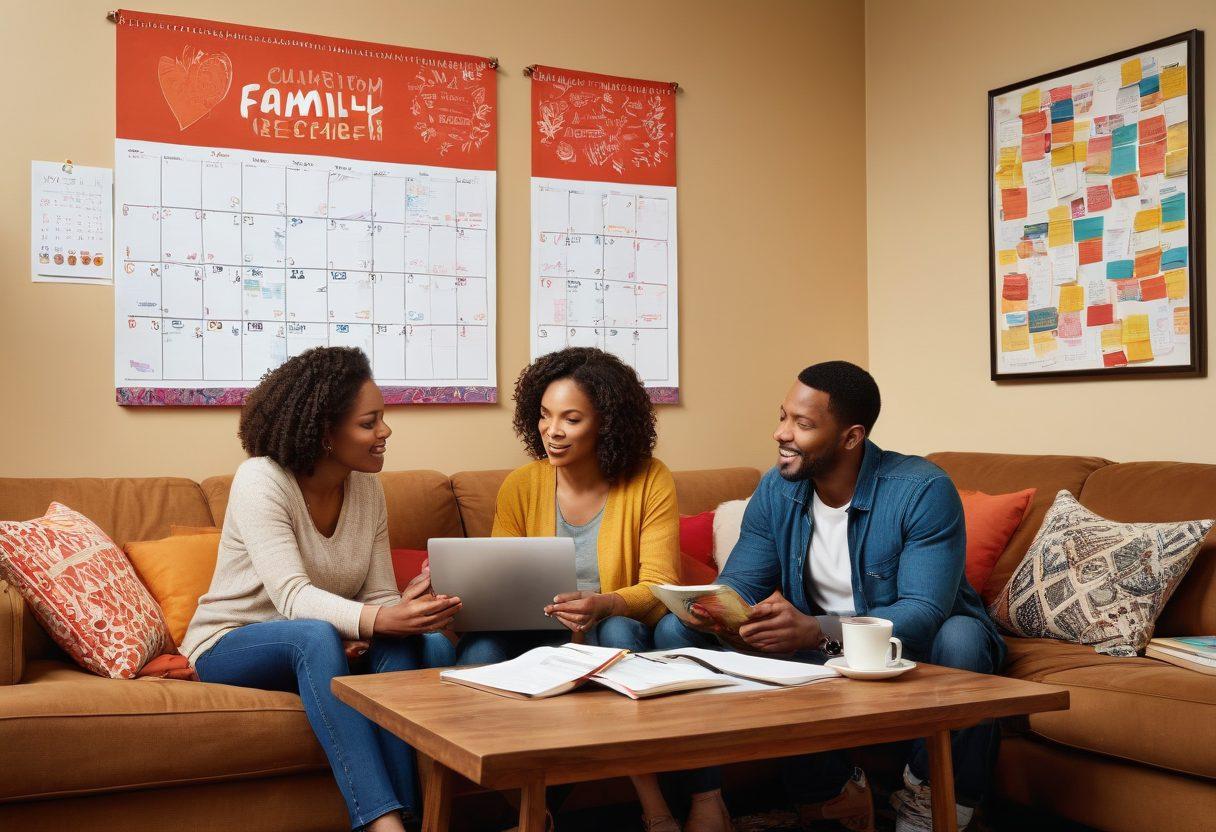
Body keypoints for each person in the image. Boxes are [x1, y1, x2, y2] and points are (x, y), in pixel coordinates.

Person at [654, 361, 1005, 832]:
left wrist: (813, 629)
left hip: (912, 645)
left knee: (962, 637)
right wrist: (715, 610)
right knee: (674, 629)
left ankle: (931, 796)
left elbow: (923, 613)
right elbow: (741, 583)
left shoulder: (922, 489)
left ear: (851, 437)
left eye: (802, 424)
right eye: (783, 416)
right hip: (822, 648)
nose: (781, 433)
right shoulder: (777, 488)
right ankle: (831, 792)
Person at [181, 347, 461, 832]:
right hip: (229, 643)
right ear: (325, 433)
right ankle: (380, 823)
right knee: (314, 635)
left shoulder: (367, 489)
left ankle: (412, 821)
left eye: (382, 418)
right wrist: (377, 620)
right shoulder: (261, 480)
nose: (385, 432)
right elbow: (292, 596)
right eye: (369, 423)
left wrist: (408, 607)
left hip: (322, 641)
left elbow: (377, 597)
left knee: (413, 643)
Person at [455, 347, 683, 832]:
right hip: (540, 628)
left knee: (616, 634)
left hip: (613, 626)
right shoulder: (521, 485)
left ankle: (655, 807)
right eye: (544, 415)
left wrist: (605, 603)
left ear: (607, 423)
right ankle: (529, 811)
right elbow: (503, 579)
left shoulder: (650, 479)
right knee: (478, 650)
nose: (552, 431)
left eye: (571, 419)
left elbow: (661, 583)